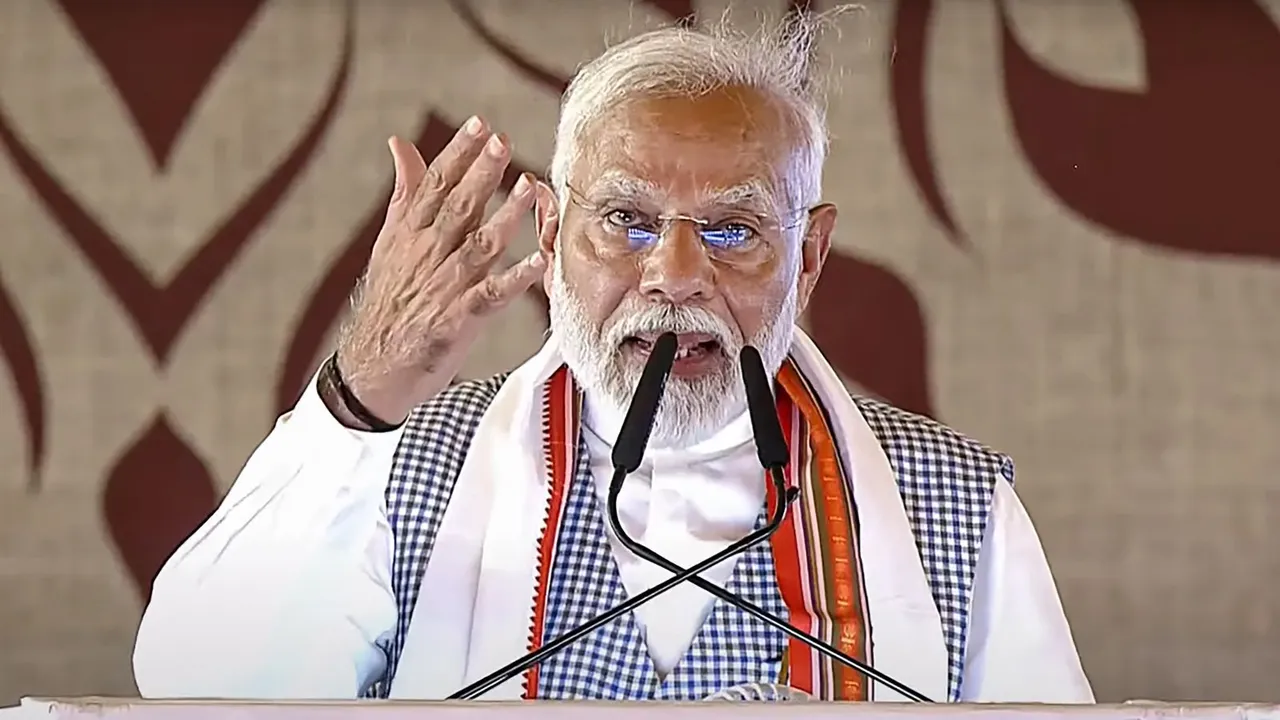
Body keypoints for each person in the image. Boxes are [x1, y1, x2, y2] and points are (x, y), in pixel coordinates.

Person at [131, 14, 1093, 704]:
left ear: (809, 259)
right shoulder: (399, 466)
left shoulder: (955, 505)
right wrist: (363, 393)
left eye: (731, 230)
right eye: (626, 220)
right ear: (549, 234)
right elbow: (194, 682)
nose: (674, 276)